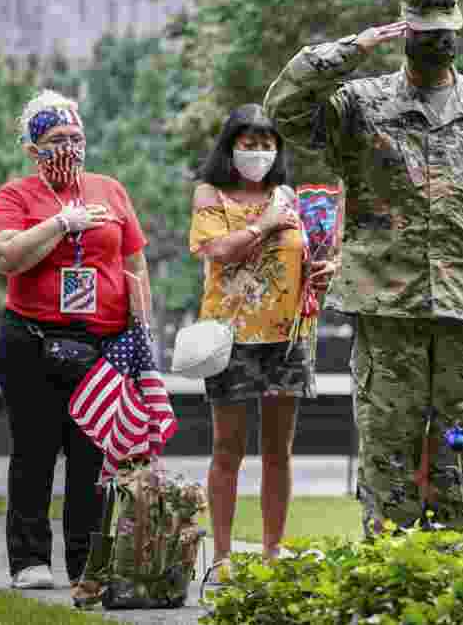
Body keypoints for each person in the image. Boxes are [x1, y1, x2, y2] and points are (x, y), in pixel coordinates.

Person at [265, 0, 463, 535]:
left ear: (457, 31)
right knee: (388, 446)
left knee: (459, 447)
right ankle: (391, 574)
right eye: (423, 33)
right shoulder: (361, 105)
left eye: (446, 33)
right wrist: (354, 47)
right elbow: (285, 110)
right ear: (403, 32)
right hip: (388, 306)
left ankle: (448, 571)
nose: (437, 44)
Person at [0, 89, 152, 589]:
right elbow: (6, 256)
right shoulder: (18, 196)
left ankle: (85, 563)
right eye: (57, 139)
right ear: (33, 149)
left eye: (76, 137)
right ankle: (30, 560)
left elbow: (134, 262)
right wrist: (60, 224)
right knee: (34, 451)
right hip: (32, 342)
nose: (70, 147)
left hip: (100, 345)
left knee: (90, 458)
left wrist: (142, 331)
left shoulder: (110, 190)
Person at [188, 103, 331, 584]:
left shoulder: (289, 195)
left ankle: (273, 553)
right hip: (229, 339)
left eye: (267, 143)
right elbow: (219, 252)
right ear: (230, 146)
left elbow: (299, 255)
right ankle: (223, 558)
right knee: (228, 448)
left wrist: (320, 272)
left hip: (286, 337)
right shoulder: (211, 194)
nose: (258, 151)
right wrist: (268, 222)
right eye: (248, 142)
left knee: (279, 450)